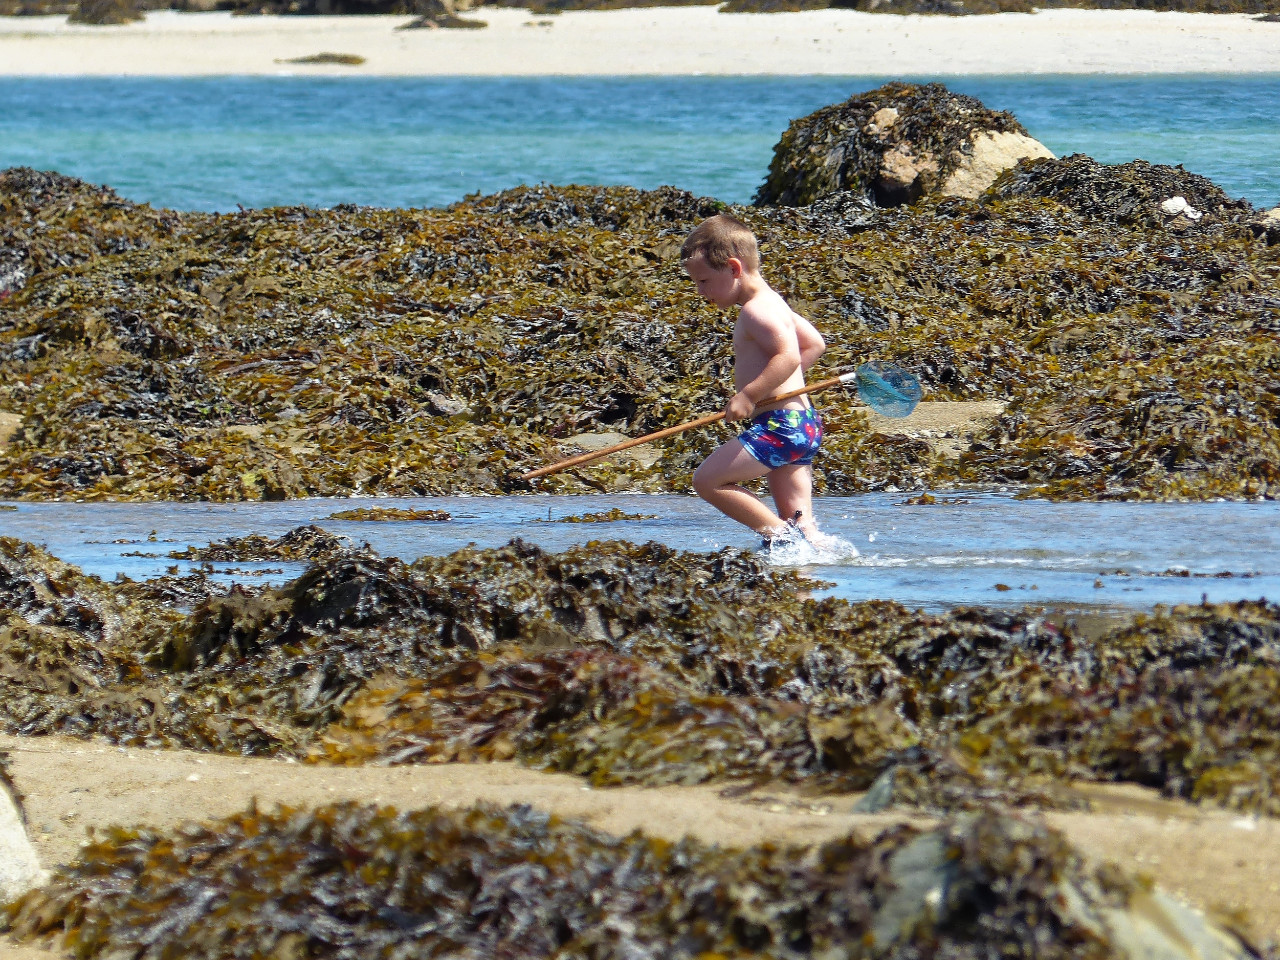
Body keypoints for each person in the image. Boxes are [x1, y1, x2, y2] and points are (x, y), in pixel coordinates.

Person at [681, 214, 827, 545]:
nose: (700, 291)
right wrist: (780, 388)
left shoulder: (755, 310)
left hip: (781, 427)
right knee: (801, 520)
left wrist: (749, 395)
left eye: (703, 281)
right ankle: (807, 569)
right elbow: (814, 344)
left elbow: (788, 356)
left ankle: (780, 539)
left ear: (734, 268)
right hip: (802, 423)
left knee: (707, 481)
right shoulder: (775, 303)